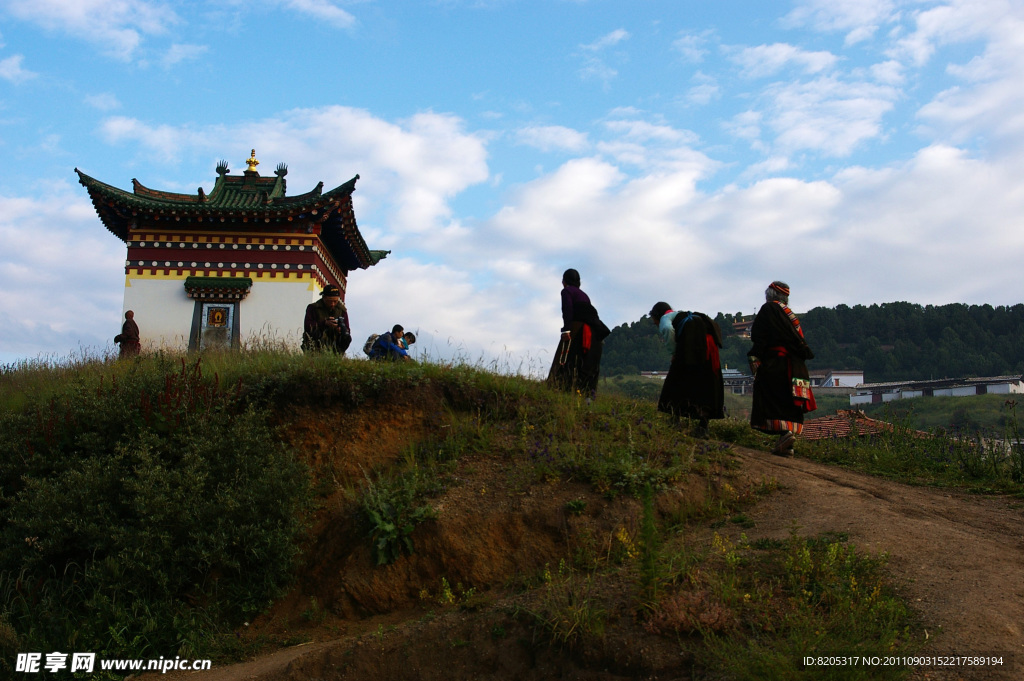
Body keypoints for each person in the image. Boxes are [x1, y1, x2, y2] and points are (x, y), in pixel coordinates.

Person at [747, 281, 816, 456]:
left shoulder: (769, 309)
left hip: (778, 363)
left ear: (769, 295)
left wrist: (756, 358)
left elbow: (759, 336)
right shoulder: (790, 314)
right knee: (789, 402)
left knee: (773, 399)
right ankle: (787, 444)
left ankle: (785, 435)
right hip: (797, 367)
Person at [649, 302, 725, 436]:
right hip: (710, 349)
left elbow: (667, 329)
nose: (656, 324)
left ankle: (675, 419)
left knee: (675, 381)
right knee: (705, 384)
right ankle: (703, 426)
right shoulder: (682, 315)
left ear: (657, 316)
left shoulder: (665, 318)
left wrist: (674, 353)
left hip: (692, 347)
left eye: (655, 321)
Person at [547, 268, 610, 399]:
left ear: (564, 281)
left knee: (565, 358)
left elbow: (567, 310)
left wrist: (566, 330)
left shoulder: (566, 291)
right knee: (586, 363)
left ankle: (557, 388)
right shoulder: (585, 295)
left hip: (578, 329)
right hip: (592, 333)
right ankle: (586, 395)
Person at [302, 285, 352, 354]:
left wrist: (340, 330)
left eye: (335, 301)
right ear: (324, 298)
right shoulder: (313, 308)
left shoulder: (342, 310)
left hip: (334, 344)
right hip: (316, 344)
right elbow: (308, 326)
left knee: (346, 337)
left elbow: (347, 330)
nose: (333, 304)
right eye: (330, 301)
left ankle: (338, 354)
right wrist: (324, 324)